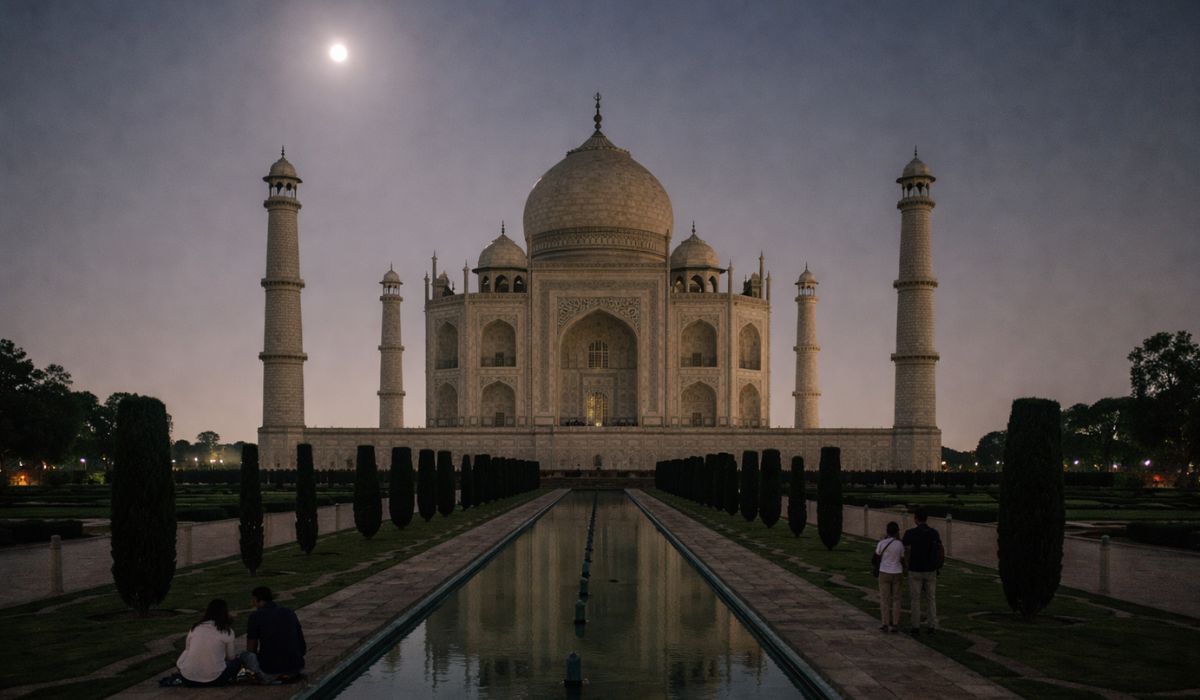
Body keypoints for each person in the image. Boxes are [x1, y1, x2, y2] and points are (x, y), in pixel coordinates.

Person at [161, 599, 241, 686]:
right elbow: (231, 657)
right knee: (236, 662)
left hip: (188, 678)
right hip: (215, 679)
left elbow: (187, 650)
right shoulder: (227, 631)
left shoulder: (195, 628)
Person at [239, 586, 306, 684]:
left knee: (244, 655)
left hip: (270, 668)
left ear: (255, 599)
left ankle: (267, 677)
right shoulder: (289, 612)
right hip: (296, 665)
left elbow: (251, 649)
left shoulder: (255, 616)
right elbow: (301, 643)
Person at [902, 506, 943, 634]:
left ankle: (915, 626)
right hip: (930, 569)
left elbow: (906, 549)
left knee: (915, 599)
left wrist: (906, 566)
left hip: (915, 569)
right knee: (931, 598)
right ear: (926, 519)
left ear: (915, 519)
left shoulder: (910, 533)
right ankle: (932, 625)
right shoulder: (934, 533)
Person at [875, 521, 904, 633]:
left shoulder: (882, 543)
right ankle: (895, 623)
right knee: (896, 599)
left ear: (887, 531)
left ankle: (885, 623)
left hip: (884, 572)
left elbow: (876, 556)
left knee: (884, 599)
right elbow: (902, 558)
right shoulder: (900, 544)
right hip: (897, 572)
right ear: (897, 532)